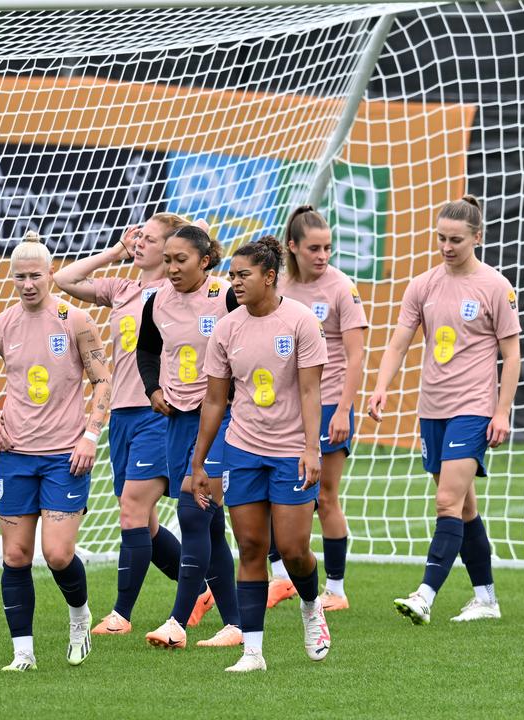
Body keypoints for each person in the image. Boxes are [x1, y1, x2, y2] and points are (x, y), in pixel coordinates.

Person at [366, 195, 521, 625]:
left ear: (477, 237)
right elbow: (400, 340)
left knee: (446, 501)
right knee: (464, 507)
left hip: (473, 408)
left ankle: (425, 594)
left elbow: (512, 354)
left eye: (456, 239)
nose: (447, 247)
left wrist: (502, 411)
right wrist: (381, 387)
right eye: (441, 238)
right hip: (431, 408)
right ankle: (486, 598)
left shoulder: (494, 286)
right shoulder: (423, 284)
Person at [0, 231, 114, 671]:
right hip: (14, 455)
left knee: (58, 555)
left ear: (51, 274)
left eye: (35, 276)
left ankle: (79, 616)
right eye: (20, 277)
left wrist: (90, 435)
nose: (28, 284)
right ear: (12, 279)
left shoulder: (75, 320)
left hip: (65, 455)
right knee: (14, 556)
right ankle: (23, 653)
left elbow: (102, 380)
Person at [191, 236, 332, 672]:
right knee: (251, 547)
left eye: (243, 275)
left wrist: (312, 448)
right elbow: (215, 401)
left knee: (292, 549)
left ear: (269, 277)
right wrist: (198, 462)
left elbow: (311, 390)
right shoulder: (227, 329)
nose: (234, 282)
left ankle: (312, 605)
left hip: (291, 451)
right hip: (243, 450)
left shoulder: (301, 322)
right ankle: (253, 651)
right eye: (232, 275)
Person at [53, 213, 197, 635]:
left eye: (149, 239)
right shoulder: (123, 288)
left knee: (133, 510)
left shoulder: (175, 293)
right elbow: (64, 279)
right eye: (138, 236)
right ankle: (204, 587)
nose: (140, 243)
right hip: (121, 413)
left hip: (158, 411)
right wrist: (115, 251)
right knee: (145, 522)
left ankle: (121, 614)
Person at [137, 225, 244, 649]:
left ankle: (177, 622)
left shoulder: (225, 296)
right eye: (167, 260)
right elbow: (146, 349)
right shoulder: (156, 301)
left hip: (222, 419)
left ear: (204, 260)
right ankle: (235, 623)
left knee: (193, 511)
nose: (172, 267)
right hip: (179, 420)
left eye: (181, 260)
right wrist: (152, 388)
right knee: (211, 525)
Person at [267, 207, 368, 611]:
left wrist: (343, 410)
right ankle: (280, 579)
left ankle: (337, 590)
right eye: (314, 248)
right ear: (292, 247)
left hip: (327, 406)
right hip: (283, 408)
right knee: (276, 495)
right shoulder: (280, 286)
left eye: (327, 247)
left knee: (324, 496)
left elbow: (357, 356)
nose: (322, 255)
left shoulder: (342, 288)